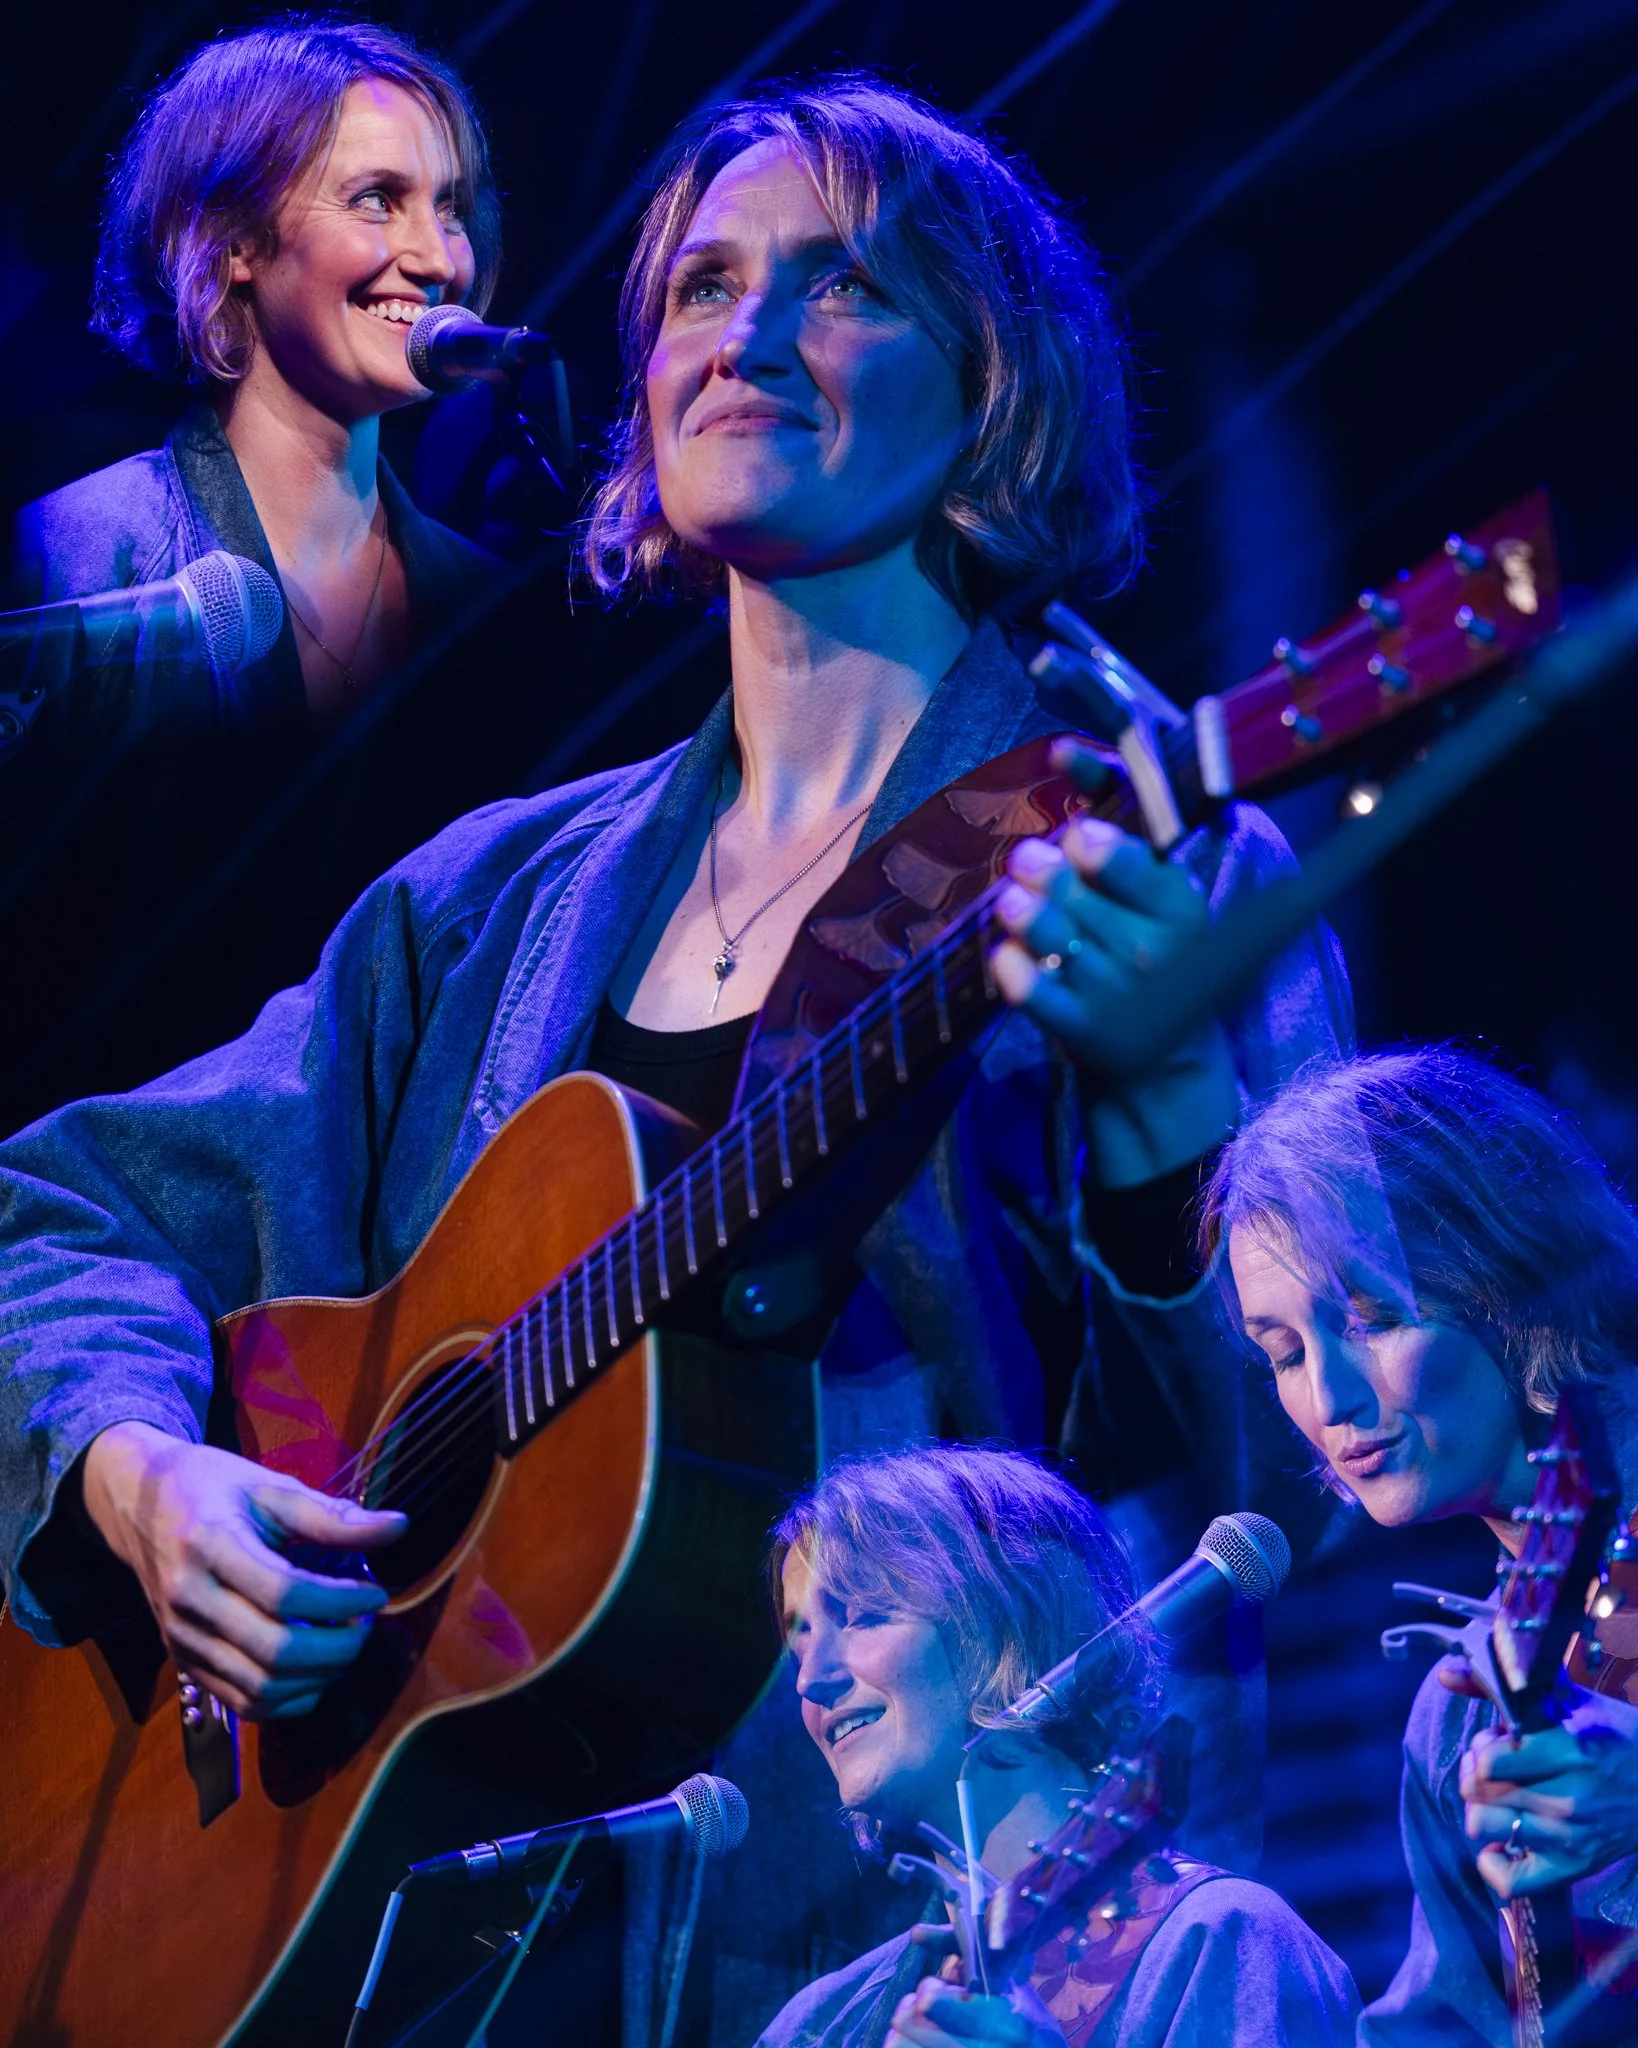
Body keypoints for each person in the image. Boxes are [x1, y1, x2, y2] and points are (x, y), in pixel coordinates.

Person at [0, 75, 1350, 2042]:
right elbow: (48, 1209)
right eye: (703, 283)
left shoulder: (1154, 857)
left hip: (896, 1961)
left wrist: (1158, 1118)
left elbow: (1276, 1503)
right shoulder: (480, 904)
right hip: (417, 1952)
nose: (743, 329)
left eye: (840, 286)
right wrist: (137, 1480)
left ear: (994, 384)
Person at [1197, 1046, 1638, 2045]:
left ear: (1519, 1279)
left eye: (1373, 1317)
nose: (1329, 1400)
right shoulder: (1460, 1717)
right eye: (1285, 1353)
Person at [4, 15, 502, 756]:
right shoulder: (72, 559)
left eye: (450, 209)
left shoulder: (488, 604)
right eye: (375, 199)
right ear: (233, 239)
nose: (437, 258)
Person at [756, 1443, 1360, 2047]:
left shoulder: (1218, 1943)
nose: (811, 1679)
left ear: (1006, 1624)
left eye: (863, 1615)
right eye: (800, 1642)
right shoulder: (817, 2026)